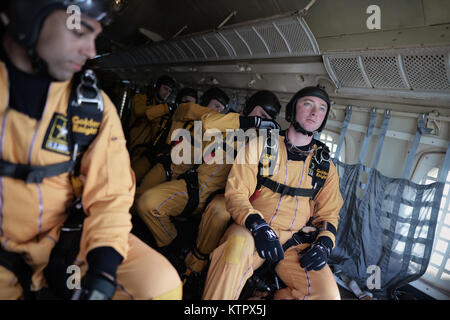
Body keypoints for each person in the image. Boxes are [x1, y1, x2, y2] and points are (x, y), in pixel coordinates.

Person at [0, 0, 181, 300]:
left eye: (95, 37)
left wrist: (103, 275)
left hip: (63, 243)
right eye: (81, 32)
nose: (90, 49)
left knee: (161, 285)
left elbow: (110, 198)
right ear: (29, 13)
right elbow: (144, 114)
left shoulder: (91, 108)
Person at [202, 86, 343, 300]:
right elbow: (236, 193)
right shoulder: (261, 145)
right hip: (251, 229)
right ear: (292, 110)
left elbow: (329, 213)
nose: (315, 112)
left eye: (322, 108)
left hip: (295, 241)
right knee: (231, 257)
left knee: (328, 295)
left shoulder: (325, 165)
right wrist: (258, 226)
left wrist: (325, 243)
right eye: (308, 104)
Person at [182, 90, 282, 285]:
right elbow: (208, 123)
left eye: (267, 119)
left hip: (233, 195)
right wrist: (251, 123)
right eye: (260, 115)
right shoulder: (231, 122)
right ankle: (195, 263)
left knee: (219, 211)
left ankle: (198, 264)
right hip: (203, 183)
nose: (263, 121)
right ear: (249, 109)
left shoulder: (264, 142)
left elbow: (270, 172)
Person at [135, 87, 233, 256]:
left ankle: (170, 245)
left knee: (158, 206)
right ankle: (131, 231)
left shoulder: (214, 130)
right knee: (141, 198)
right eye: (216, 106)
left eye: (221, 109)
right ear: (205, 102)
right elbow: (186, 109)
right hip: (166, 167)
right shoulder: (185, 112)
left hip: (186, 177)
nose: (217, 111)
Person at [131, 87, 198, 185]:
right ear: (179, 101)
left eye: (192, 105)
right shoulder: (166, 115)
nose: (188, 107)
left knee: (145, 187)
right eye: (186, 102)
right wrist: (167, 108)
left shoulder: (193, 127)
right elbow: (148, 114)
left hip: (166, 163)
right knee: (129, 176)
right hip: (151, 154)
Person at [127, 75, 177, 171]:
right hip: (130, 146)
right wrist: (165, 108)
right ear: (157, 87)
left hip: (145, 152)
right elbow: (139, 111)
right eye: (165, 88)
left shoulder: (164, 112)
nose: (167, 93)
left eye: (169, 91)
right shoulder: (141, 98)